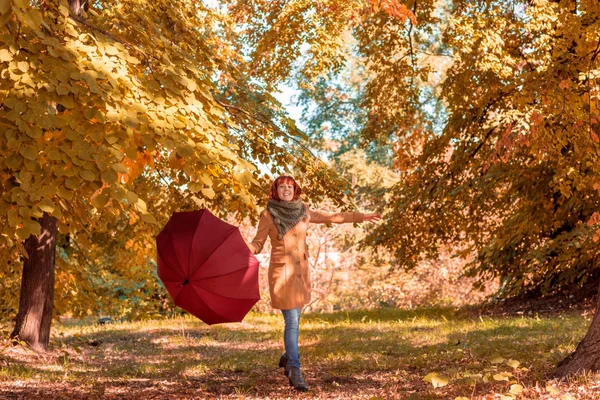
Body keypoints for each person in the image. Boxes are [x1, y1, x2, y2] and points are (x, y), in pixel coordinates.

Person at [246, 175, 381, 391]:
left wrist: (360, 216)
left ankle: (288, 356)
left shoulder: (303, 211)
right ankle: (295, 370)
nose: (286, 190)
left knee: (295, 320)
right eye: (282, 186)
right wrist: (244, 249)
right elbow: (258, 243)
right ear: (275, 190)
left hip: (301, 274)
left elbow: (331, 216)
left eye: (290, 186)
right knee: (292, 322)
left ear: (295, 190)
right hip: (282, 275)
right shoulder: (268, 214)